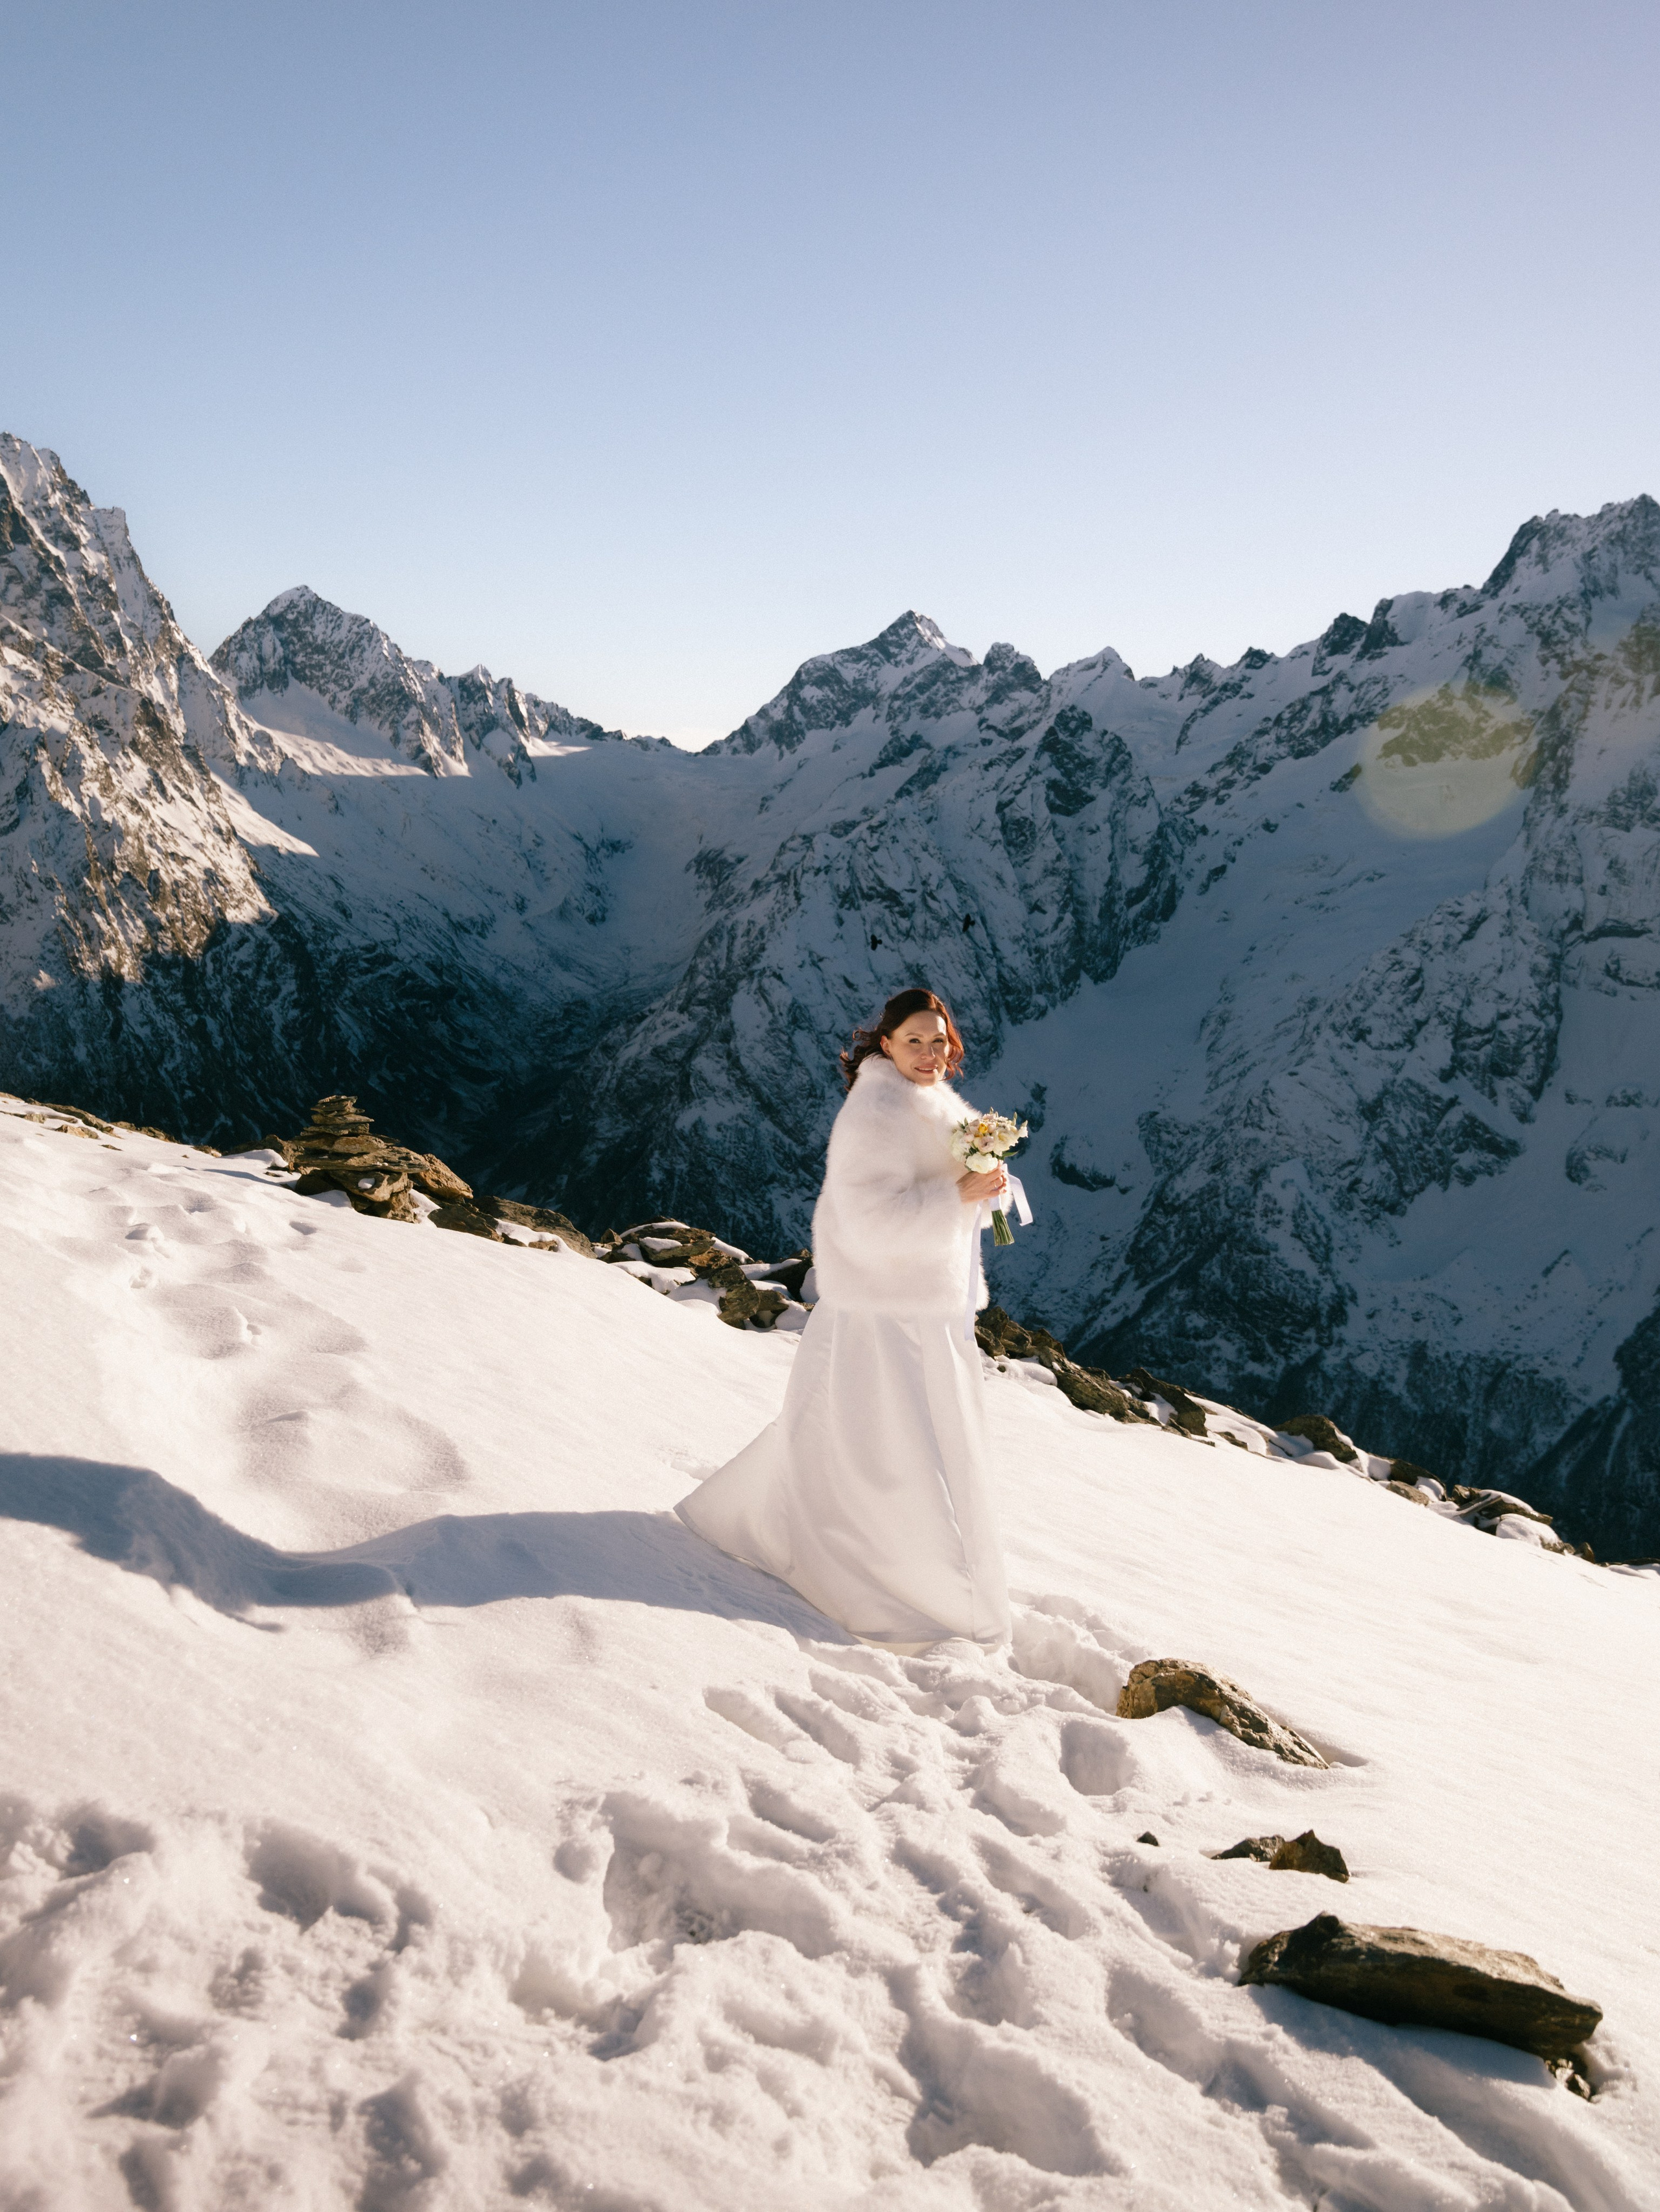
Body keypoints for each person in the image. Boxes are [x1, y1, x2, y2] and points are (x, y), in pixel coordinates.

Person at [676, 988, 1012, 1651]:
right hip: (885, 1314)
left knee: (881, 1440)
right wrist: (958, 1193)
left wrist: (984, 1183)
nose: (928, 1052)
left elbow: (938, 1191)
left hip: (924, 1306)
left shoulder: (933, 1100)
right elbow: (869, 1221)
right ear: (883, 1044)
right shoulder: (877, 1110)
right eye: (913, 1040)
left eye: (938, 1041)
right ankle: (910, 1581)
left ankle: (854, 1546)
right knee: (892, 1449)